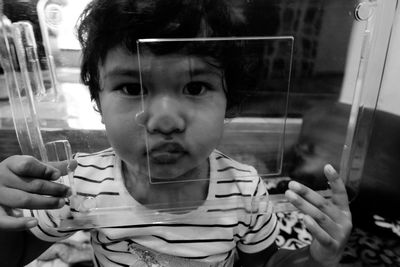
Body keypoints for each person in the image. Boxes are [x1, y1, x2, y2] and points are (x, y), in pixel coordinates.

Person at [0, 0, 352, 266]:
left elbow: (265, 263)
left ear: (229, 102)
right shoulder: (84, 182)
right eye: (132, 87)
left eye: (196, 87)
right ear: (97, 102)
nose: (165, 121)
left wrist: (317, 255)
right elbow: (13, 253)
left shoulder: (244, 188)